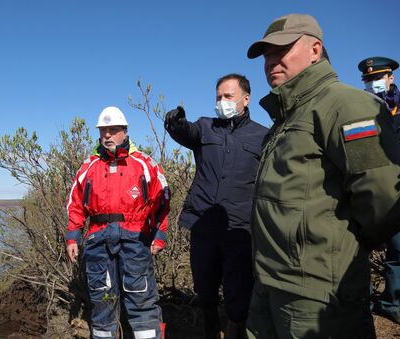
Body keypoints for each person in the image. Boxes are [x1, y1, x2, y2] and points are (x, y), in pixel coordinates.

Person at [245, 13, 400, 338]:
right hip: (272, 283)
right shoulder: (287, 117)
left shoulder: (345, 106)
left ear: (315, 50)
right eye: (267, 54)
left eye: (282, 50)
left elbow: (383, 200)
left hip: (317, 296)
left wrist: (340, 247)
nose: (271, 61)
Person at [164, 74, 268, 339]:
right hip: (204, 225)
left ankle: (235, 330)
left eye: (228, 96)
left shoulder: (262, 136)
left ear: (246, 98)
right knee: (205, 290)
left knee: (239, 291)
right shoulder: (205, 126)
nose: (222, 101)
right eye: (219, 97)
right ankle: (210, 331)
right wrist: (175, 123)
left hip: (240, 228)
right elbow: (187, 131)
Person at [65, 106, 170, 339]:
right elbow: (75, 203)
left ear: (125, 131)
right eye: (104, 131)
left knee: (140, 298)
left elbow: (162, 200)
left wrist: (159, 236)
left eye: (113, 130)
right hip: (97, 240)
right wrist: (73, 236)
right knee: (102, 301)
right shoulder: (89, 166)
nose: (108, 135)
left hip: (135, 238)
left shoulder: (144, 163)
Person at [358, 56, 400, 325]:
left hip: (399, 190)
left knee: (399, 250)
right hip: (371, 192)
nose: (373, 83)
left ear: (391, 78)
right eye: (368, 80)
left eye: (377, 78)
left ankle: (390, 303)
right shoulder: (361, 108)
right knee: (360, 249)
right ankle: (361, 301)